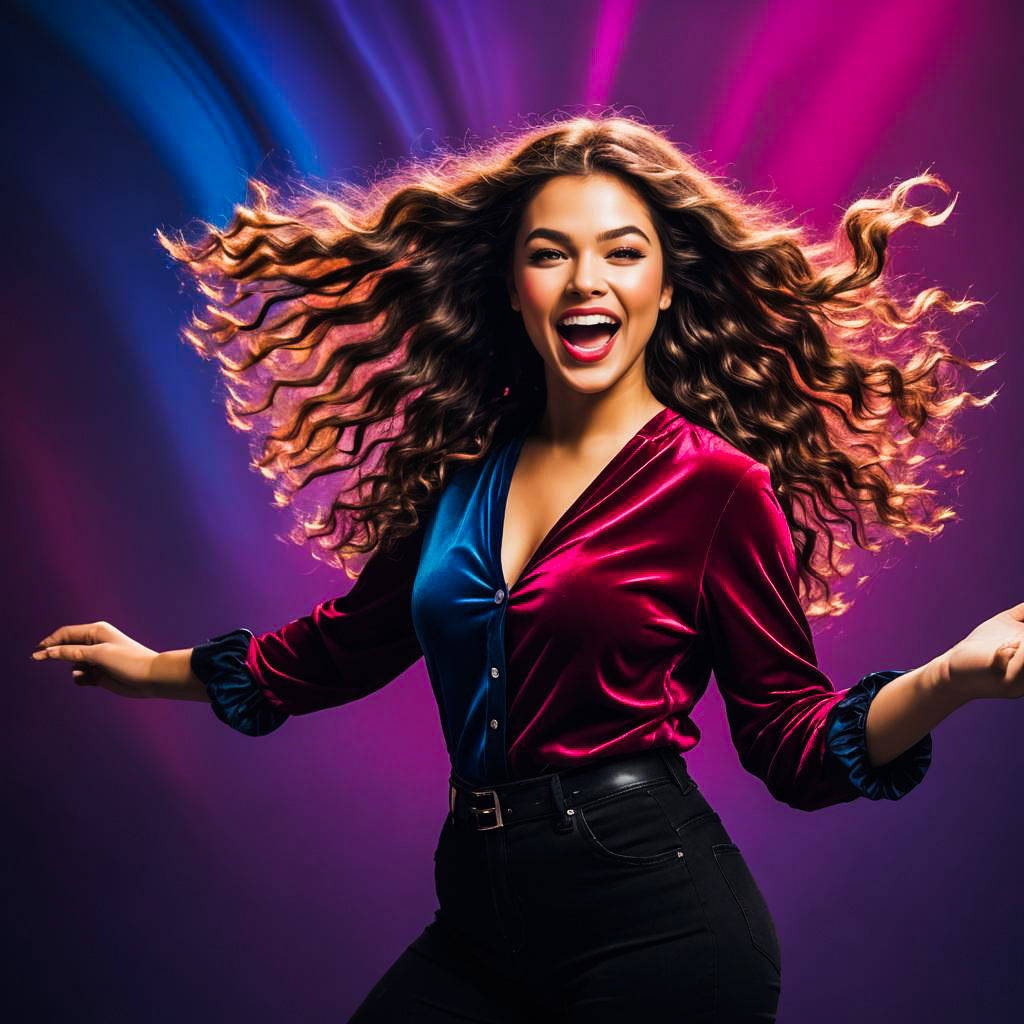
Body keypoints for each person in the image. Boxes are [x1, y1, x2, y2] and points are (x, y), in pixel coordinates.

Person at [31, 114, 1024, 1022]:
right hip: (478, 918)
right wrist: (154, 666)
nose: (586, 279)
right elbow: (340, 647)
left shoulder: (717, 488)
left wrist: (954, 677)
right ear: (513, 286)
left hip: (658, 924)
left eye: (621, 253)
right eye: (550, 254)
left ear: (664, 285)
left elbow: (794, 744)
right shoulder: (465, 472)